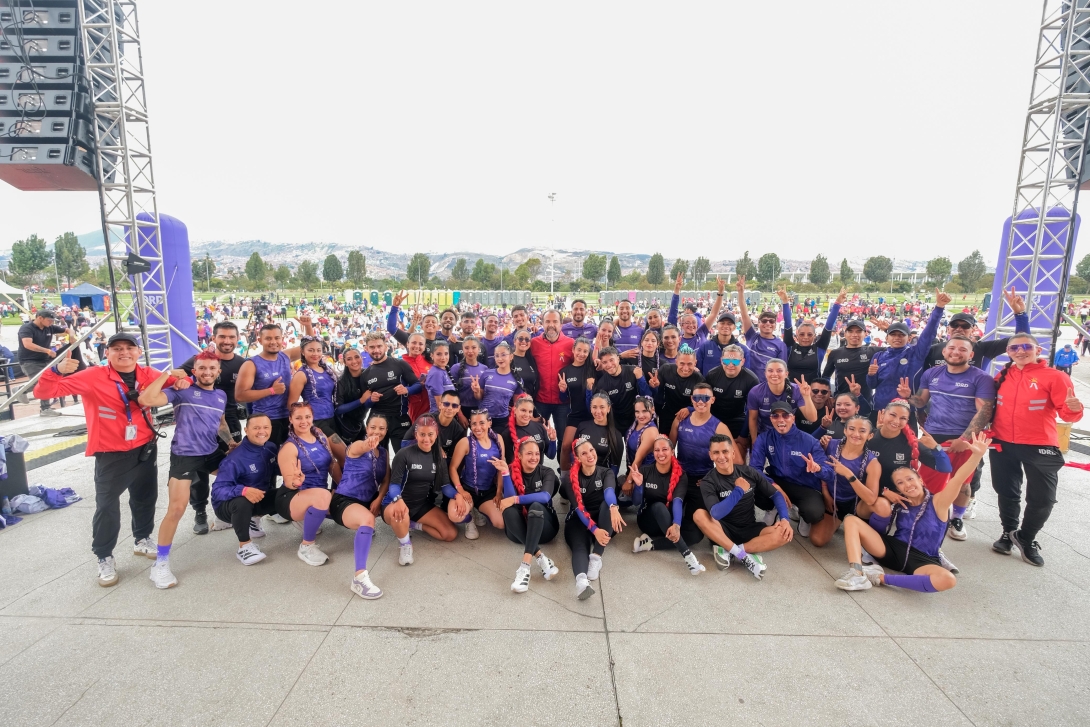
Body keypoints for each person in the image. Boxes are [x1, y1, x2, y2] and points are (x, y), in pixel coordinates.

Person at [34, 332, 183, 587]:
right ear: (107, 353)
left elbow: (179, 380)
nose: (124, 353)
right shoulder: (93, 376)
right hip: (110, 452)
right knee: (107, 506)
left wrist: (182, 379)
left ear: (138, 352)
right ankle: (104, 556)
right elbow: (43, 391)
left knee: (145, 496)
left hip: (146, 446)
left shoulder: (148, 373)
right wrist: (56, 371)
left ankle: (142, 538)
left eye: (129, 348)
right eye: (116, 349)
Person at [836, 433, 989, 592]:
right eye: (900, 483)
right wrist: (885, 493)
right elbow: (872, 505)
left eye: (910, 479)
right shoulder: (899, 501)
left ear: (920, 480)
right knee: (851, 520)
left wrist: (976, 455)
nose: (907, 485)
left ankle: (879, 578)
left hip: (922, 559)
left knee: (948, 579)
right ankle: (857, 573)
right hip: (893, 550)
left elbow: (957, 479)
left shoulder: (938, 502)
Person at [137, 351, 233, 588]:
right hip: (185, 455)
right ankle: (160, 564)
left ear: (218, 372)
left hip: (210, 453)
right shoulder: (182, 390)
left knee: (241, 476)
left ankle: (228, 518)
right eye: (202, 368)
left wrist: (230, 442)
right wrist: (167, 375)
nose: (207, 372)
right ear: (194, 371)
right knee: (176, 509)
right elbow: (146, 400)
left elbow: (221, 423)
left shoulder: (221, 395)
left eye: (212, 368)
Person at [988, 333, 1084, 566]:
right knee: (1006, 491)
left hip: (1040, 444)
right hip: (1002, 442)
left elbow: (1068, 414)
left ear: (1038, 350)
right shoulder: (1002, 375)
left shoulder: (1056, 377)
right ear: (1008, 352)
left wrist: (1075, 408)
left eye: (1026, 347)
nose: (1020, 351)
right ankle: (1008, 532)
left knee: (1043, 499)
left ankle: (1026, 538)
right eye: (1013, 348)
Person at [900, 336, 995, 541]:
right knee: (927, 481)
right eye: (951, 348)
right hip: (935, 436)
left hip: (964, 438)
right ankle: (925, 516)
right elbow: (921, 401)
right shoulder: (931, 373)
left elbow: (984, 412)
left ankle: (957, 519)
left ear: (971, 355)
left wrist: (965, 439)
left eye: (962, 349)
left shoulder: (981, 377)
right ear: (944, 352)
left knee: (962, 482)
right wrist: (909, 396)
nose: (955, 352)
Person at [175, 320, 247, 534]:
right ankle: (200, 512)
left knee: (232, 465)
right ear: (213, 338)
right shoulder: (202, 360)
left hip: (229, 420)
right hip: (200, 422)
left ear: (237, 339)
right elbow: (176, 373)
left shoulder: (243, 363)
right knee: (199, 471)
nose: (227, 341)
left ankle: (226, 509)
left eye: (231, 337)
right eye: (222, 336)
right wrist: (183, 381)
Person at [693, 433, 790, 578]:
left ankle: (731, 551)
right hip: (722, 530)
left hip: (748, 528)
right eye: (716, 452)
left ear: (732, 453)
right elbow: (716, 514)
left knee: (784, 535)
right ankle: (744, 556)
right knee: (699, 515)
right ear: (711, 455)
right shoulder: (708, 481)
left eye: (725, 451)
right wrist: (738, 490)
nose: (721, 456)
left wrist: (784, 519)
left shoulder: (749, 472)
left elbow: (775, 494)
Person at [749, 400, 835, 539]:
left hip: (804, 486)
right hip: (778, 481)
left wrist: (818, 469)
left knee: (814, 513)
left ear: (793, 418)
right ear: (771, 419)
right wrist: (773, 485)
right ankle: (773, 508)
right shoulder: (764, 438)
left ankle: (803, 516)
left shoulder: (809, 441)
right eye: (775, 416)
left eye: (785, 415)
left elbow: (830, 473)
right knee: (752, 487)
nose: (780, 419)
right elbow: (754, 468)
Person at [383, 414, 460, 565]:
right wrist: (397, 500)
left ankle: (413, 524)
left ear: (436, 434)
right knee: (398, 514)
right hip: (394, 503)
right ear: (416, 434)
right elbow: (394, 485)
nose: (426, 439)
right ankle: (405, 544)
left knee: (450, 534)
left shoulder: (438, 456)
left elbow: (445, 486)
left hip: (419, 505)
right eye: (422, 434)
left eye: (430, 434)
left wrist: (457, 495)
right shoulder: (404, 454)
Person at [328, 415, 389, 599]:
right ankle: (359, 578)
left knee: (392, 507)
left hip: (368, 501)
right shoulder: (356, 446)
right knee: (367, 520)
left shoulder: (384, 453)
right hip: (344, 500)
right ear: (366, 428)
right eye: (373, 427)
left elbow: (386, 480)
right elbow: (361, 447)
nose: (377, 432)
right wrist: (367, 443)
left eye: (381, 428)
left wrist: (379, 499)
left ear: (386, 431)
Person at [866, 289, 949, 419]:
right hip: (880, 410)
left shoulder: (915, 353)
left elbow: (929, 333)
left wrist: (939, 307)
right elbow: (872, 385)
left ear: (909, 338)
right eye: (893, 335)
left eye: (901, 335)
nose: (897, 338)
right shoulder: (878, 357)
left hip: (906, 412)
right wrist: (871, 375)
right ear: (886, 338)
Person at [210, 414, 280, 566]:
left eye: (266, 427)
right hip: (228, 506)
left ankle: (253, 520)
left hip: (258, 498)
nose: (262, 431)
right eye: (256, 428)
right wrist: (243, 490)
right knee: (243, 501)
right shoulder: (235, 458)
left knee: (286, 493)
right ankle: (245, 546)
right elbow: (217, 491)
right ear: (246, 430)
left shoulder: (271, 447)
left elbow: (278, 469)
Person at [276, 402, 340, 566]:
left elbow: (332, 464)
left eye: (307, 417)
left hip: (317, 493)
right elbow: (289, 481)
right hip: (291, 496)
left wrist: (343, 489)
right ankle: (306, 546)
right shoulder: (290, 447)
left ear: (313, 418)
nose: (303, 421)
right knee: (324, 496)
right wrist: (296, 481)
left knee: (343, 504)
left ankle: (308, 517)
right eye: (298, 418)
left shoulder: (320, 435)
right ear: (290, 419)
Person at [630, 436, 706, 574]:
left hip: (670, 519)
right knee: (659, 506)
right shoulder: (646, 470)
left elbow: (677, 500)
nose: (660, 453)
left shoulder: (681, 475)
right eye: (656, 450)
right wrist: (639, 486)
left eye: (664, 449)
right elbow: (635, 502)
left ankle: (650, 545)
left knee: (696, 534)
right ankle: (688, 557)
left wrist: (676, 525)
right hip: (649, 520)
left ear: (672, 452)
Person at [561, 437, 624, 600]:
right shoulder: (569, 478)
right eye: (584, 453)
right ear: (577, 458)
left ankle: (596, 556)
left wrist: (613, 507)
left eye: (592, 450)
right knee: (579, 547)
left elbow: (609, 492)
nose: (590, 455)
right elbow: (579, 509)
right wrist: (594, 530)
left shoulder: (606, 472)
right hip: (579, 519)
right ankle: (581, 582)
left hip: (604, 520)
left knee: (606, 505)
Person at [235, 316, 313, 446]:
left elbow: (309, 346)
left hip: (288, 417)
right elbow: (239, 396)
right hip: (266, 421)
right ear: (260, 340)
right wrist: (271, 390)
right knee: (269, 460)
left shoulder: (285, 356)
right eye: (268, 338)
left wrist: (308, 326)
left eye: (277, 338)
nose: (273, 342)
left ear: (282, 339)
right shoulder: (251, 364)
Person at [498, 437, 562, 593]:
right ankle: (541, 558)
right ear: (519, 455)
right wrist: (506, 474)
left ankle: (524, 568)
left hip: (545, 529)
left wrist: (516, 499)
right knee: (508, 510)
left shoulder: (547, 472)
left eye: (537, 453)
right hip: (519, 531)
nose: (534, 457)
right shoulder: (513, 471)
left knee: (536, 505)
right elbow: (508, 502)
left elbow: (545, 496)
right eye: (529, 454)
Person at [814, 415, 881, 546]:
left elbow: (871, 499)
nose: (856, 434)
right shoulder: (829, 444)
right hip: (833, 498)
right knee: (817, 540)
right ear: (845, 430)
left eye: (862, 431)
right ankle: (836, 521)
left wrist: (849, 474)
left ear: (870, 435)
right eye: (851, 429)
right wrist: (826, 493)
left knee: (875, 504)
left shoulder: (873, 462)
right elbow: (820, 469)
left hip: (856, 502)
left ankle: (866, 526)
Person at [447, 410, 506, 539]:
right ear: (470, 424)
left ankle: (478, 509)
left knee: (501, 523)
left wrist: (498, 492)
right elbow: (452, 468)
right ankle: (469, 519)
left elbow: (502, 468)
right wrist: (460, 490)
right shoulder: (465, 442)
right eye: (474, 424)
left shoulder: (498, 439)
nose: (478, 427)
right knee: (454, 515)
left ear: (489, 423)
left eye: (482, 423)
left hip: (488, 491)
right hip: (468, 489)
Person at [359, 330, 421, 451]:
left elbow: (418, 385)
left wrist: (407, 390)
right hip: (377, 420)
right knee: (378, 459)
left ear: (386, 346)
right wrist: (371, 400)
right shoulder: (365, 374)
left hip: (399, 417)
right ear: (366, 348)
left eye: (379, 346)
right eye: (372, 347)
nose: (376, 350)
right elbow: (365, 403)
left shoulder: (400, 364)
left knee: (403, 456)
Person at [704, 343, 759, 460]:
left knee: (739, 449)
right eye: (726, 361)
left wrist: (743, 435)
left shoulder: (751, 379)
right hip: (714, 417)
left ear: (742, 361)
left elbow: (751, 410)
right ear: (721, 360)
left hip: (737, 418)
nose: (730, 365)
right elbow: (703, 401)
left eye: (735, 361)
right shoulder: (712, 375)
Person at [780, 287, 844, 383]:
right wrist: (785, 301)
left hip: (813, 393)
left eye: (809, 335)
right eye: (802, 334)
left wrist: (837, 304)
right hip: (792, 392)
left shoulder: (820, 347)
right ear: (797, 335)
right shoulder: (790, 346)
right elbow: (787, 324)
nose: (805, 337)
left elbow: (829, 326)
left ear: (814, 336)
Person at [746, 358, 818, 442]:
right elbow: (753, 419)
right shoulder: (756, 392)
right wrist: (755, 442)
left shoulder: (797, 390)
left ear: (786, 374)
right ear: (765, 374)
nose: (774, 374)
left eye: (779, 370)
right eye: (770, 370)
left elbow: (812, 418)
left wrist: (806, 396)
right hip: (764, 434)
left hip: (789, 433)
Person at [471, 341, 522, 457]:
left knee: (497, 451)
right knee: (480, 450)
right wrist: (477, 391)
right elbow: (479, 397)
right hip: (483, 418)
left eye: (503, 354)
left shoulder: (516, 379)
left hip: (501, 420)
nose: (500, 358)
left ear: (511, 356)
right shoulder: (487, 374)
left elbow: (516, 404)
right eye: (497, 355)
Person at [529, 309, 574, 438]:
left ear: (561, 324)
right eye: (547, 321)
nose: (551, 325)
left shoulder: (570, 344)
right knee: (537, 439)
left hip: (563, 402)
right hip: (540, 400)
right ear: (542, 323)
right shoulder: (534, 343)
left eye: (555, 321)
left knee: (563, 440)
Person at [735, 276, 788, 383]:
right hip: (747, 383)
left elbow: (781, 370)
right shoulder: (752, 336)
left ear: (775, 324)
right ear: (758, 323)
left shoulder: (780, 345)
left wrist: (785, 301)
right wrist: (741, 292)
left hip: (767, 386)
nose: (767, 323)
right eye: (764, 321)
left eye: (771, 321)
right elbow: (744, 314)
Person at [590, 346, 653, 435]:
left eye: (611, 360)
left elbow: (647, 397)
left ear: (618, 358)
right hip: (616, 423)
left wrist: (640, 379)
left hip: (636, 420)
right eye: (604, 362)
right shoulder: (602, 384)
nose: (609, 365)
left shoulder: (633, 372)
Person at [18, 308, 69, 415]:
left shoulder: (49, 327)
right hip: (29, 360)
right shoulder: (26, 328)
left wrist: (72, 336)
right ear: (40, 318)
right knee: (42, 381)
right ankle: (22, 390)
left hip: (44, 359)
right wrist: (47, 350)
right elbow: (27, 344)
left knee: (48, 381)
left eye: (52, 321)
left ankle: (45, 408)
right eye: (49, 320)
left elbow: (67, 330)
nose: (51, 323)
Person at [821, 318, 881, 406]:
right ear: (845, 334)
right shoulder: (835, 353)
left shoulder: (873, 351)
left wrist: (887, 330)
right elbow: (826, 377)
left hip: (864, 403)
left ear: (865, 334)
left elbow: (902, 350)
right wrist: (827, 394)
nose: (854, 334)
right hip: (841, 402)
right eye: (851, 331)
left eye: (858, 331)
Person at [288, 335, 339, 436]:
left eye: (318, 350)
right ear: (302, 352)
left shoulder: (328, 370)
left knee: (334, 451)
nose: (315, 354)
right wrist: (305, 423)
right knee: (342, 450)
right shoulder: (301, 374)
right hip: (316, 421)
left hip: (332, 417)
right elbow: (291, 404)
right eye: (311, 350)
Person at [559, 337, 596, 469]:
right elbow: (563, 399)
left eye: (585, 351)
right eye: (579, 350)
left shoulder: (594, 368)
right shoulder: (564, 372)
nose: (581, 354)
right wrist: (562, 390)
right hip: (575, 414)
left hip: (593, 415)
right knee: (565, 446)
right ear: (573, 350)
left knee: (590, 448)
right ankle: (565, 479)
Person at [651, 346, 704, 427]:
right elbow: (658, 393)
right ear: (676, 362)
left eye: (690, 364)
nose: (685, 368)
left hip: (688, 415)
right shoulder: (666, 370)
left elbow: (703, 402)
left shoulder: (699, 379)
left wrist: (690, 409)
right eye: (682, 363)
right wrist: (655, 386)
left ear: (695, 363)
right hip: (667, 413)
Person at [334, 347, 371, 444]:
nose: (354, 361)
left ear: (361, 358)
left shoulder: (368, 375)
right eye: (349, 359)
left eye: (356, 357)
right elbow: (338, 409)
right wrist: (361, 400)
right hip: (345, 426)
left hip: (361, 422)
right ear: (345, 362)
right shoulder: (341, 381)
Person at [696, 311, 749, 376]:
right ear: (717, 326)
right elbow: (698, 371)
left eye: (729, 324)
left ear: (734, 327)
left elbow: (746, 374)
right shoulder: (705, 347)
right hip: (709, 385)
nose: (725, 326)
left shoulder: (743, 350)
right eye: (722, 323)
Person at [509, 393, 557, 461]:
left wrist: (553, 440)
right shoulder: (507, 433)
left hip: (537, 470)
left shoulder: (539, 427)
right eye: (523, 410)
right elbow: (509, 462)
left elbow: (551, 456)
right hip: (517, 471)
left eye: (530, 411)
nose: (527, 414)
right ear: (515, 410)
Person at [450, 336, 488, 423]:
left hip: (478, 410)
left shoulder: (485, 369)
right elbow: (452, 394)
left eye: (474, 347)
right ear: (462, 349)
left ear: (479, 349)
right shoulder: (456, 368)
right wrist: (460, 414)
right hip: (460, 409)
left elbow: (482, 396)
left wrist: (477, 392)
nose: (470, 351)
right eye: (466, 348)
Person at [623, 397, 659, 486]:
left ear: (652, 410)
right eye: (637, 412)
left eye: (644, 411)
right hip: (633, 472)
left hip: (644, 477)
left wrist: (629, 481)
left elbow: (639, 460)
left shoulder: (651, 431)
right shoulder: (636, 424)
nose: (640, 415)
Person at [420, 340, 456, 412]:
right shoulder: (436, 374)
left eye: (446, 354)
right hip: (441, 417)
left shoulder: (442, 370)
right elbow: (440, 406)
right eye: (439, 354)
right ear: (432, 355)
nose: (443, 358)